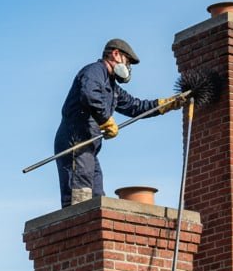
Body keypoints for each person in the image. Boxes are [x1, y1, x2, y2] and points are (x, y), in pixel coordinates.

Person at [54, 38, 182, 207]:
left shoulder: (113, 88)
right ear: (115, 54)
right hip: (75, 142)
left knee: (97, 196)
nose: (128, 68)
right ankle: (76, 227)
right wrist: (105, 120)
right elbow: (89, 95)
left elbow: (136, 106)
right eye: (127, 61)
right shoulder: (94, 71)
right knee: (80, 195)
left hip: (88, 147)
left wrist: (165, 105)